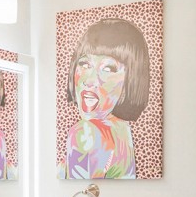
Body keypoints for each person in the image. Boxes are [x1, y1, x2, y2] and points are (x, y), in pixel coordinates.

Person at [63, 17, 149, 179]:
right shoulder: (122, 131)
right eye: (85, 64)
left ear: (130, 79)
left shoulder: (85, 132)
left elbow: (79, 194)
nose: (89, 80)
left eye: (108, 68)